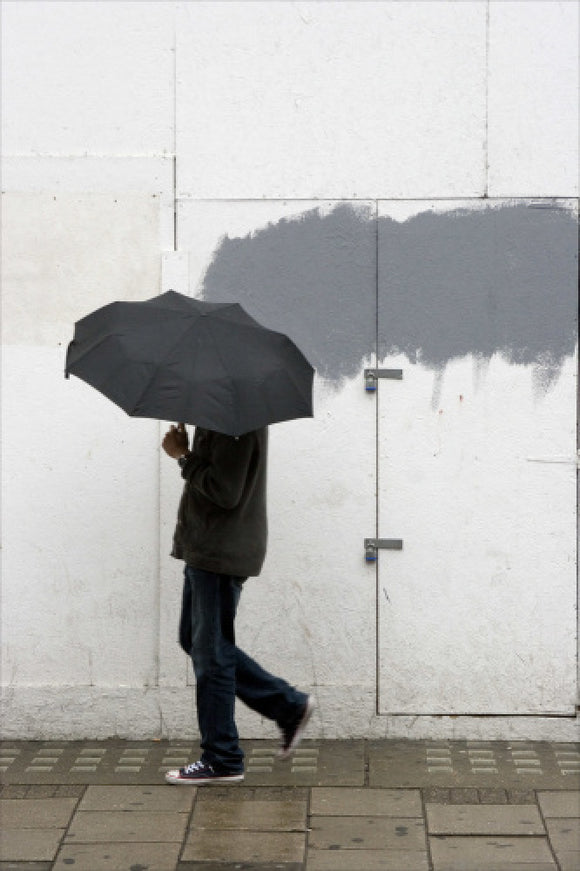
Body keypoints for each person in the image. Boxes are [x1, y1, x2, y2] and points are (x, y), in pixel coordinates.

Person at [161, 422, 314, 785]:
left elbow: (225, 491)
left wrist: (182, 456)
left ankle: (222, 757)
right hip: (207, 550)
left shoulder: (234, 425)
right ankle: (287, 706)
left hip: (219, 552)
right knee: (195, 640)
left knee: (211, 653)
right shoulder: (222, 418)